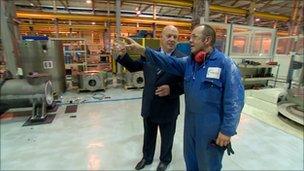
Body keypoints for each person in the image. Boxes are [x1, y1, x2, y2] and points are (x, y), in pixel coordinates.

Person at [115, 24, 245, 171]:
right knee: (190, 160)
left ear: (207, 40)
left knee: (208, 163)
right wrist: (142, 50)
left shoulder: (225, 64)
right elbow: (167, 61)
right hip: (190, 123)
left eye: (194, 37)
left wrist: (227, 130)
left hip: (210, 125)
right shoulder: (190, 62)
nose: (189, 40)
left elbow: (235, 100)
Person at [113, 25, 185, 171]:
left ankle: (165, 159)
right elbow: (134, 67)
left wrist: (172, 89)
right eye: (168, 36)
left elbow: (186, 83)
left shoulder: (182, 59)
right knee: (149, 134)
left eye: (175, 37)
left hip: (168, 105)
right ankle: (147, 157)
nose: (172, 39)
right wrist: (121, 56)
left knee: (167, 136)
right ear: (161, 38)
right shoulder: (149, 54)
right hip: (150, 104)